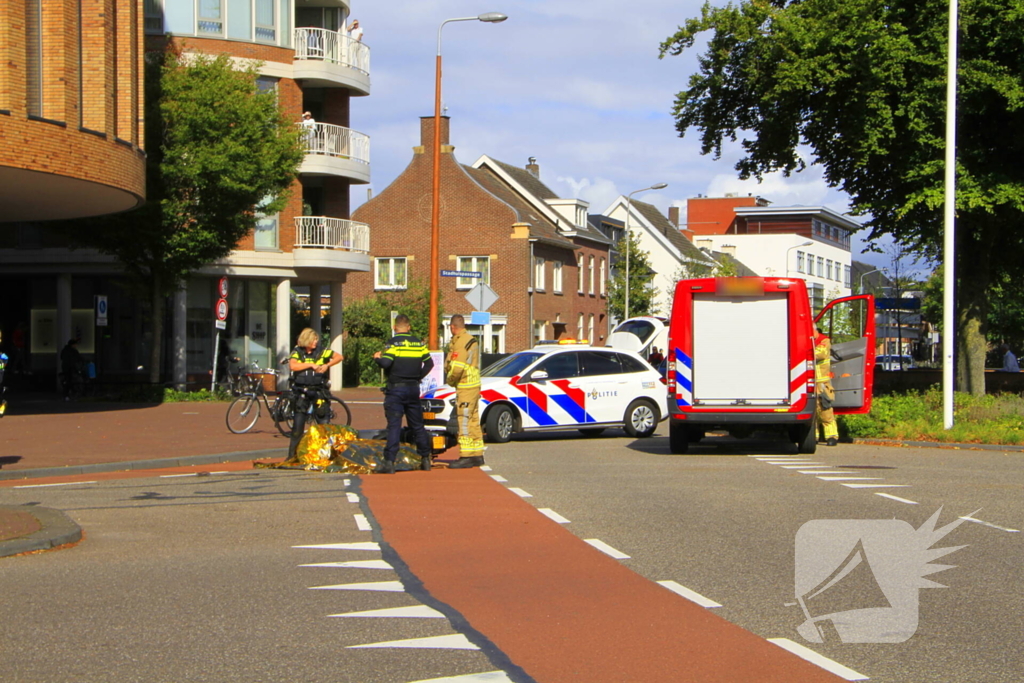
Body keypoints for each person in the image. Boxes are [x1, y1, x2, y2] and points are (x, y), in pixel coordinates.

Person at [373, 314, 433, 474]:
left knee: (394, 426)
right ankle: (425, 458)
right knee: (417, 425)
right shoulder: (418, 344)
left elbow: (386, 363)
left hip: (396, 390)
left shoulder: (393, 344)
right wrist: (418, 376)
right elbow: (429, 363)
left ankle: (389, 462)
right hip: (413, 388)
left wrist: (377, 358)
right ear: (409, 327)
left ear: (394, 328)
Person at [288, 328, 343, 461]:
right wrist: (310, 365)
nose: (315, 342)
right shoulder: (297, 352)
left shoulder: (322, 351)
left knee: (324, 425)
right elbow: (293, 366)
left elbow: (339, 357)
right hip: (302, 392)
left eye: (316, 340)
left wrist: (327, 365)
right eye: (313, 340)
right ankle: (292, 456)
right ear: (306, 340)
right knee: (297, 428)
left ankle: (327, 456)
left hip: (319, 391)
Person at [445, 315, 485, 469]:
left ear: (452, 327)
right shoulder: (471, 339)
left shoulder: (460, 342)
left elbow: (457, 367)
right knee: (473, 419)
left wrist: (450, 380)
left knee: (464, 420)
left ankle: (466, 455)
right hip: (474, 385)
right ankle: (477, 453)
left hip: (465, 386)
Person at [813, 324, 838, 446]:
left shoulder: (823, 340)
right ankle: (814, 436)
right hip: (809, 382)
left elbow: (819, 354)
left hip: (822, 383)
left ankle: (831, 436)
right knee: (812, 411)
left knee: (825, 409)